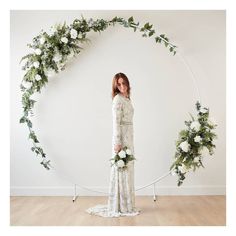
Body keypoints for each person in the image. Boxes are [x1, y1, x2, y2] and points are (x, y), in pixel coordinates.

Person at [86, 72, 140, 217]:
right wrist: (117, 143)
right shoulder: (117, 100)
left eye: (124, 83)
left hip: (129, 137)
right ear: (116, 86)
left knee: (128, 169)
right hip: (121, 138)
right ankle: (121, 205)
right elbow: (116, 122)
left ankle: (127, 204)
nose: (122, 86)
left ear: (128, 83)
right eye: (119, 84)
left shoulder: (126, 98)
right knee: (121, 169)